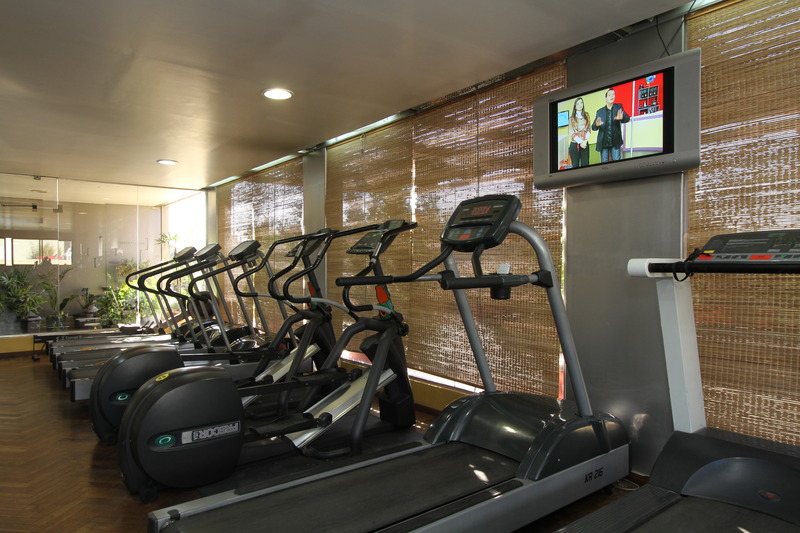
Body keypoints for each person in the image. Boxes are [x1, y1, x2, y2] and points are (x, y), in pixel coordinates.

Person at [592, 88, 630, 162]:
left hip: (615, 141)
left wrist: (622, 117)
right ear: (605, 98)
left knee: (616, 161)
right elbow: (593, 127)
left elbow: (627, 119)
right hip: (603, 142)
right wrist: (596, 125)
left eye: (613, 94)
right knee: (604, 162)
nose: (612, 96)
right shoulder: (600, 111)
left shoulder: (618, 107)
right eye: (609, 95)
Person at [567, 97, 591, 168]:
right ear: (575, 106)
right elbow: (571, 132)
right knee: (575, 166)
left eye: (581, 103)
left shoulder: (586, 115)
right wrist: (580, 142)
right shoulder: (571, 119)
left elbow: (589, 129)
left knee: (585, 165)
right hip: (575, 145)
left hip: (585, 143)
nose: (580, 105)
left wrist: (585, 141)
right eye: (578, 104)